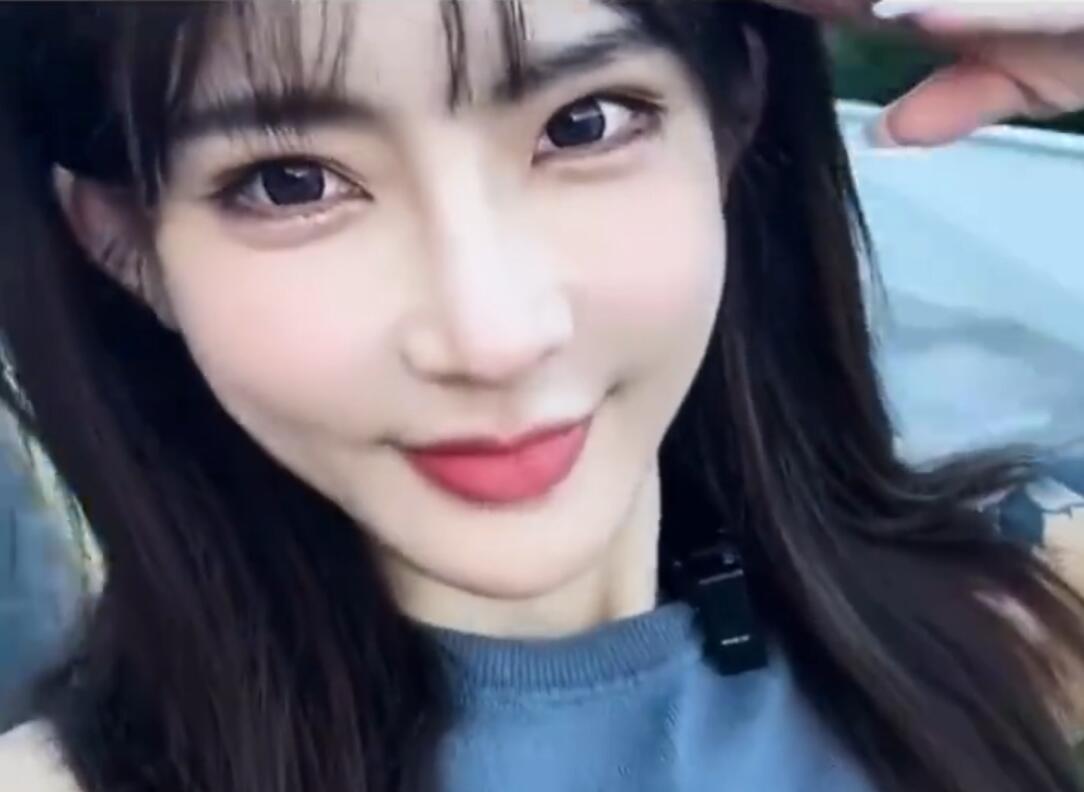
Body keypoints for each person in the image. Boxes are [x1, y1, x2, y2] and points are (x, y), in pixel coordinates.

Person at [0, 1, 1082, 790]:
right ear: (126, 244)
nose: (494, 338)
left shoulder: (1015, 624)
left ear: (731, 117)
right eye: (293, 184)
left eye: (584, 124)